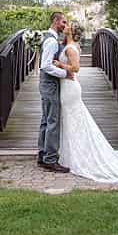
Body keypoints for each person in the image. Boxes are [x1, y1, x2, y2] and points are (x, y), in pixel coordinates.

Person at [52, 21, 118, 183]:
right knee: (72, 121)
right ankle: (71, 154)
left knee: (72, 120)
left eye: (68, 25)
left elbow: (76, 68)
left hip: (70, 88)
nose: (65, 26)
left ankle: (77, 157)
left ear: (72, 31)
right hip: (68, 86)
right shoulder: (70, 44)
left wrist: (60, 64)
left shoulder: (70, 48)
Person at [37, 11, 72, 173]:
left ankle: (43, 155)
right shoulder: (51, 41)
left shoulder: (46, 37)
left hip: (45, 84)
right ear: (56, 21)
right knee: (53, 121)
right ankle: (50, 159)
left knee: (46, 120)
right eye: (63, 22)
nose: (65, 25)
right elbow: (45, 66)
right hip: (50, 85)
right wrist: (65, 74)